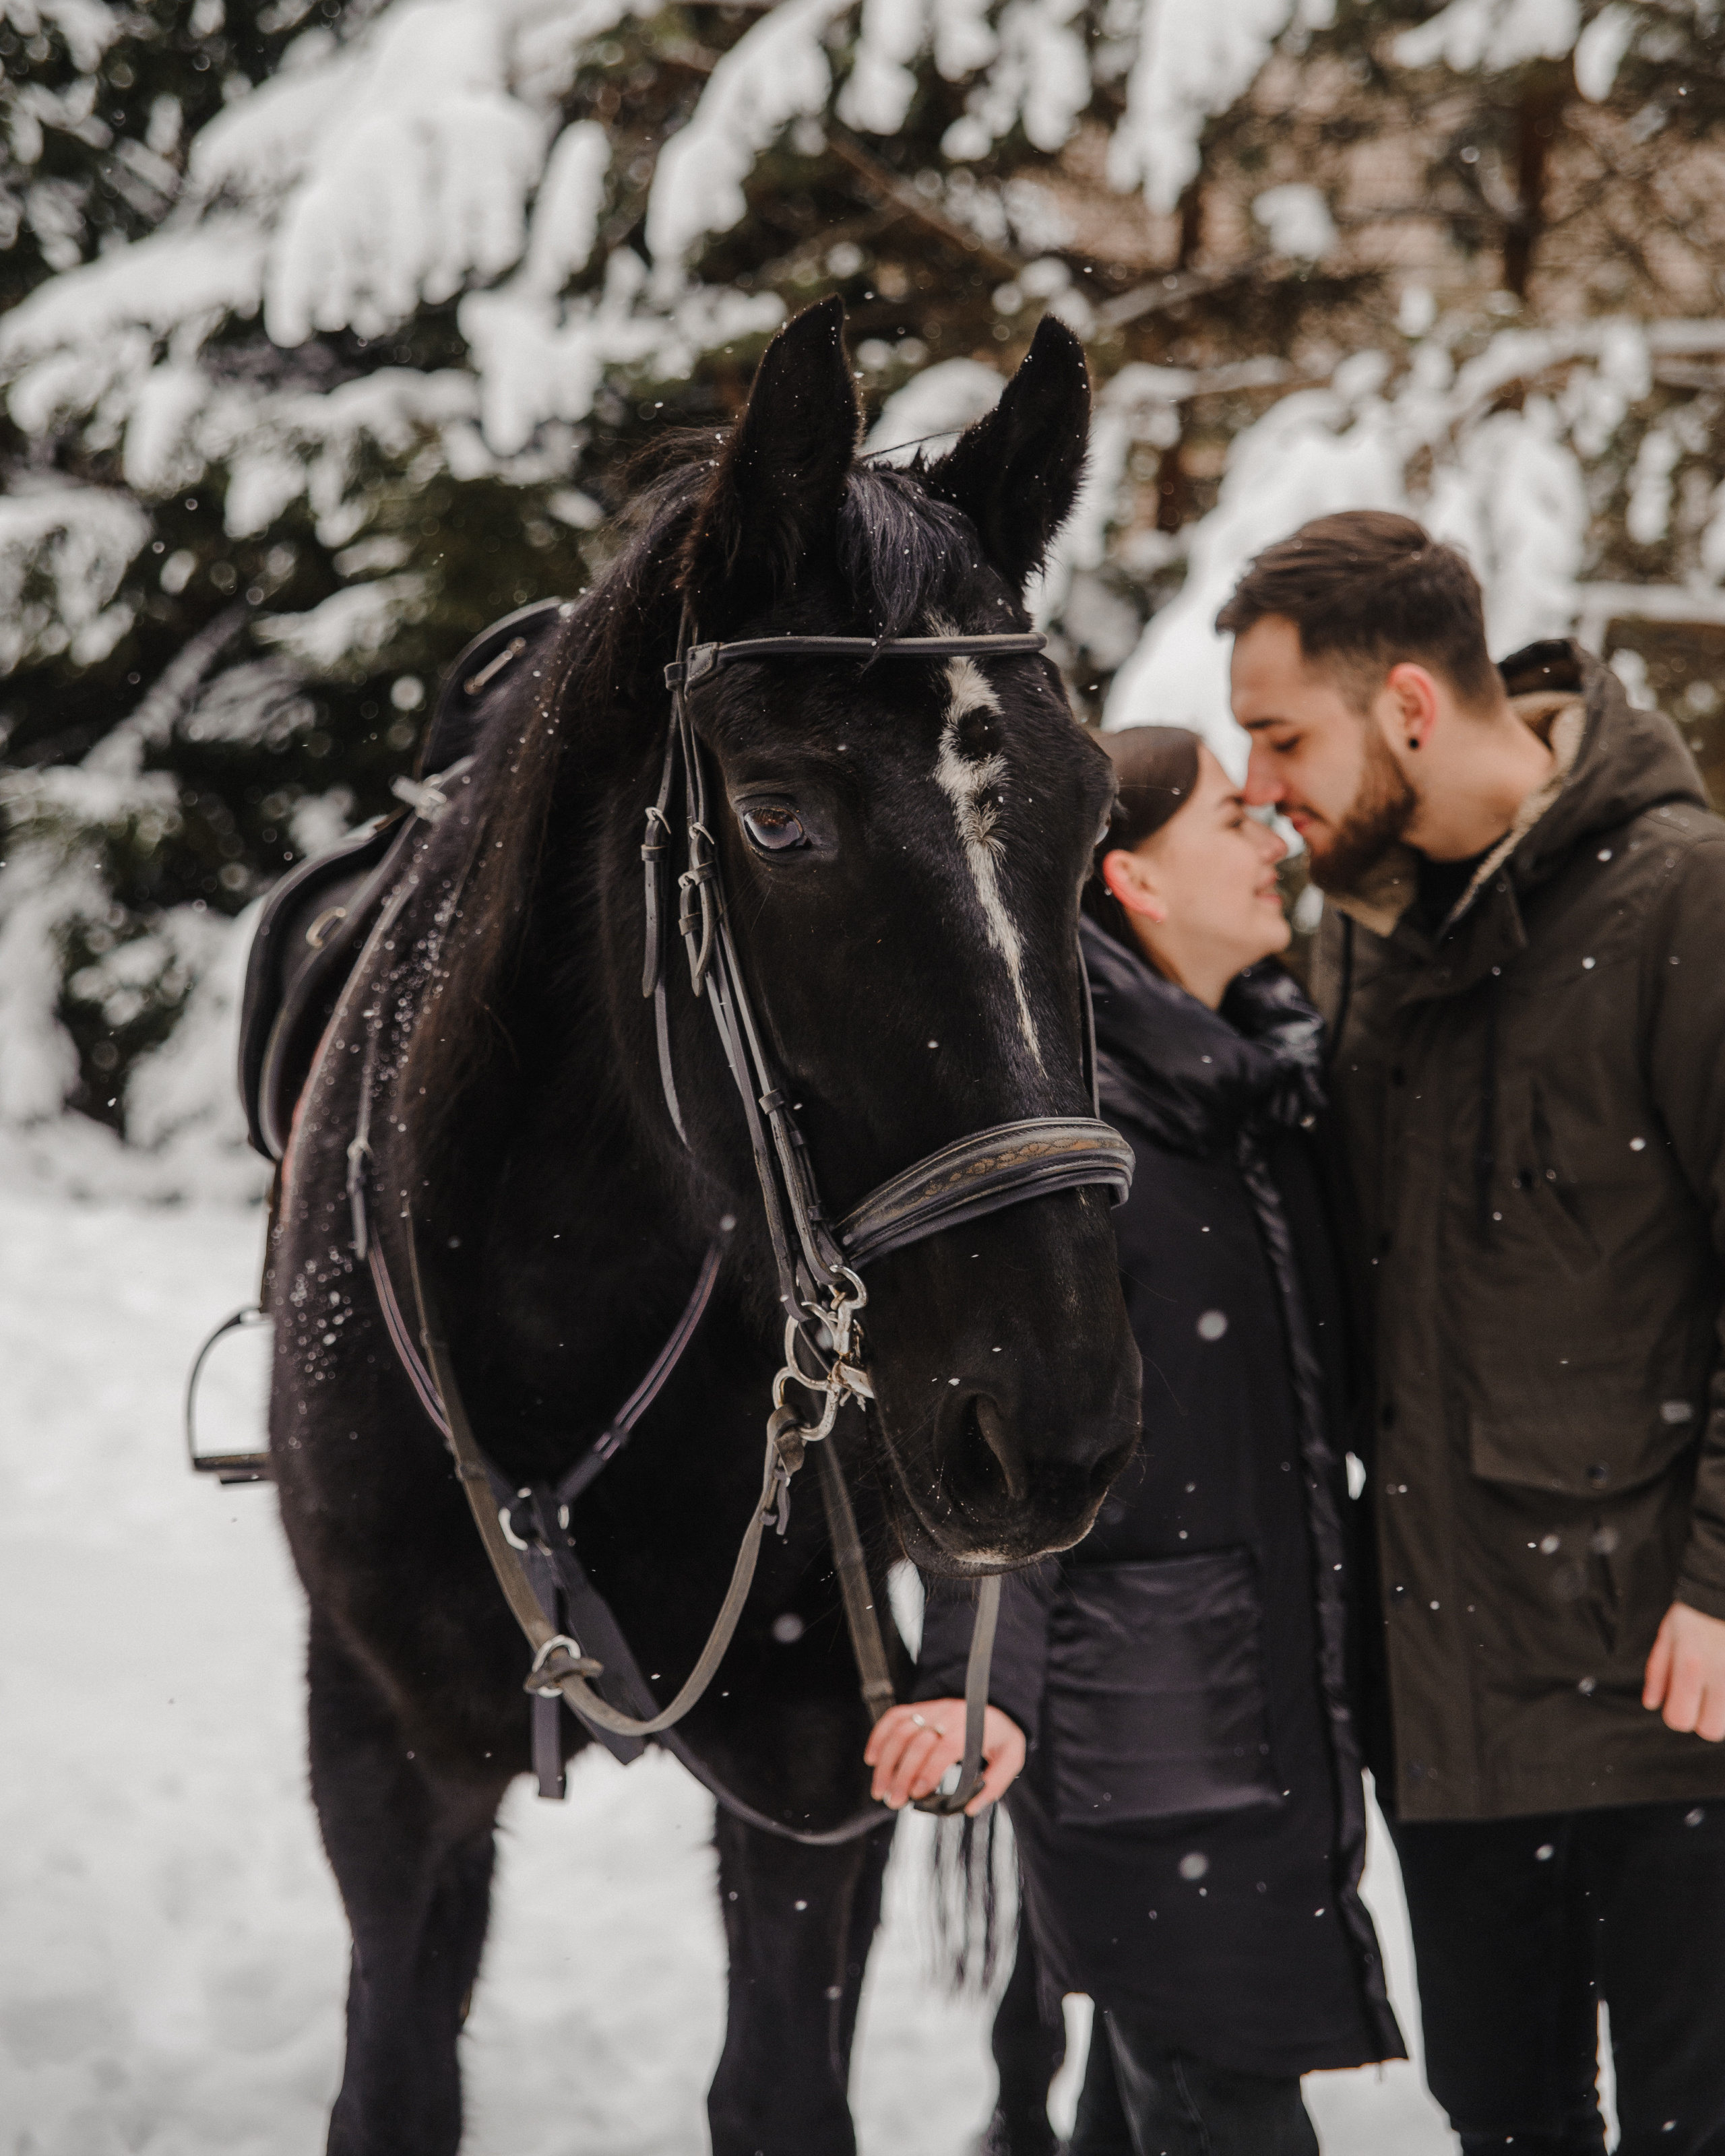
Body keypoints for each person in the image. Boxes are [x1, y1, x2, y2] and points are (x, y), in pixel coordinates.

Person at [1218, 509, 1725, 2156]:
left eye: (1282, 737)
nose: (1263, 786)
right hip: (1447, 1702)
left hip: (1673, 1691)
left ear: (1410, 706)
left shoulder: (1684, 902)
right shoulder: (1358, 943)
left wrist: (1723, 1580)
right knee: (1502, 2122)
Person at [867, 727, 1404, 2155]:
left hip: (1262, 1705)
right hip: (1149, 1730)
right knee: (1222, 2101)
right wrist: (974, 1678)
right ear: (1135, 882)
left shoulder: (1254, 1089)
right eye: (1231, 818)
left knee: (1158, 2097)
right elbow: (999, 1437)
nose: (1269, 841)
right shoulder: (1074, 1131)